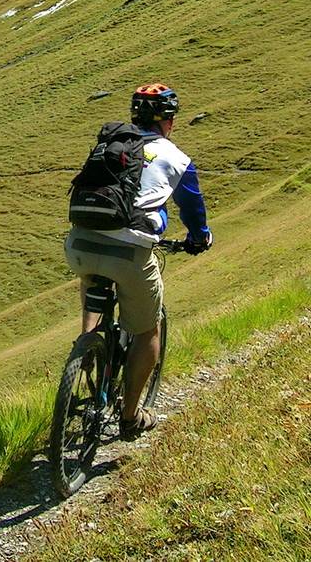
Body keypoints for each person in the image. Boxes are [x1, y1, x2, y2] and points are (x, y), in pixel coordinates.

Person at [64, 83, 212, 439]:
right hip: (130, 252)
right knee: (148, 330)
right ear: (170, 121)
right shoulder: (177, 158)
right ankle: (130, 417)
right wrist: (199, 239)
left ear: (134, 117)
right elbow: (193, 211)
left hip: (79, 242)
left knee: (92, 278)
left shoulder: (109, 143)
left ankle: (88, 345)